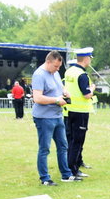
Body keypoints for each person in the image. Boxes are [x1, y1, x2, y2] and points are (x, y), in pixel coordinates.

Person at [32, 50, 78, 186]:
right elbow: (37, 98)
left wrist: (64, 91)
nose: (57, 69)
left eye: (59, 67)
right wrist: (56, 100)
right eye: (55, 66)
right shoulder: (39, 75)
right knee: (45, 148)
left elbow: (59, 86)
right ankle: (45, 178)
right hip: (44, 117)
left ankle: (66, 174)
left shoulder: (55, 73)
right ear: (48, 62)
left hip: (57, 115)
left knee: (63, 146)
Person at [64, 48, 96, 179]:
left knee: (70, 140)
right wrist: (92, 88)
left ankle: (68, 165)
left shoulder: (69, 72)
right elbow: (87, 95)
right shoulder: (82, 75)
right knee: (77, 141)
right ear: (86, 58)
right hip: (81, 112)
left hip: (68, 110)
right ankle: (73, 169)